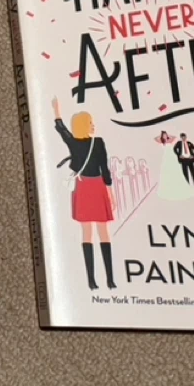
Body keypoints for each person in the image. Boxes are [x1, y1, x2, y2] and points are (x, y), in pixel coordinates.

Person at [52, 98, 116, 290]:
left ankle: (95, 280)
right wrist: (110, 192)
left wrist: (56, 111)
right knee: (101, 232)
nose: (93, 125)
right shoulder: (98, 143)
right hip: (95, 185)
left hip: (85, 186)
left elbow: (62, 130)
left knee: (88, 232)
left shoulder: (76, 143)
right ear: (84, 125)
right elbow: (104, 169)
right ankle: (106, 279)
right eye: (90, 122)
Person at [155, 130, 194, 202]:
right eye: (164, 135)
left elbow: (174, 137)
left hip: (172, 156)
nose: (165, 136)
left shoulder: (170, 140)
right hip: (166, 157)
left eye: (166, 134)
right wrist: (162, 137)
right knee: (166, 172)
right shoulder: (162, 142)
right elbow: (155, 138)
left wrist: (168, 136)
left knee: (176, 171)